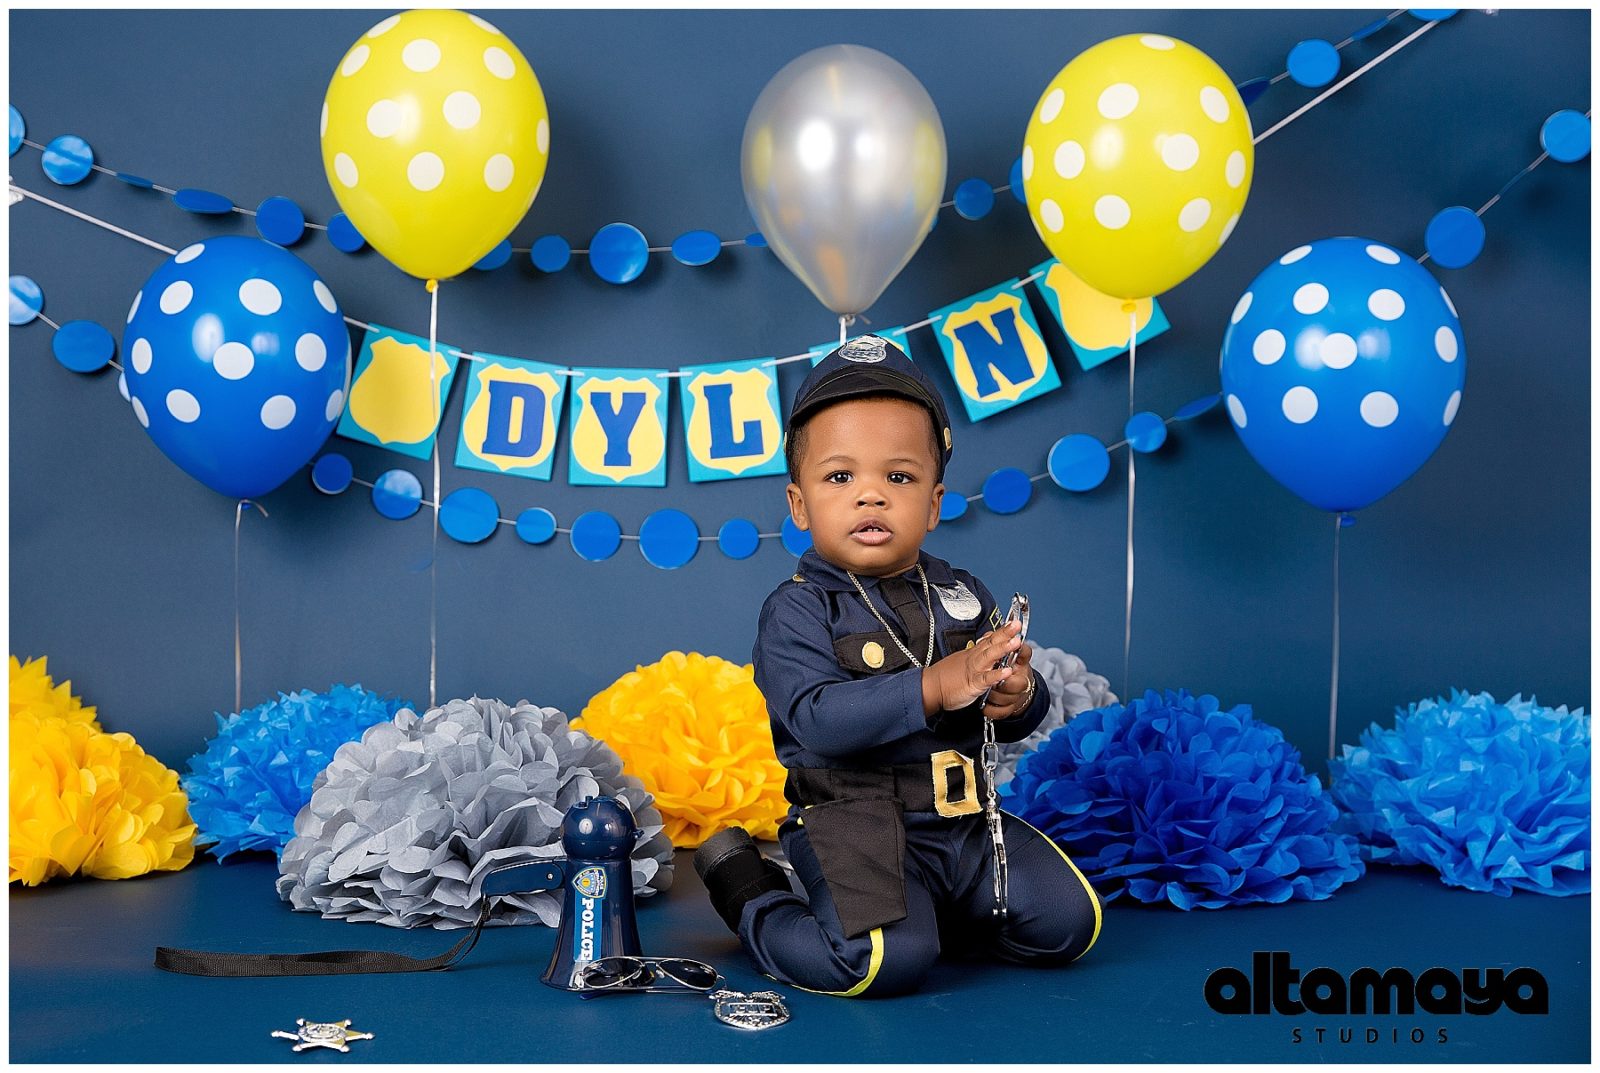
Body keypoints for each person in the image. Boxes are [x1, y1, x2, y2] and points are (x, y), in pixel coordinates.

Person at [695, 334, 1103, 997]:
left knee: (1069, 923)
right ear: (799, 504)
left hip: (964, 822)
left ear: (934, 504)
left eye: (899, 477)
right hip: (855, 824)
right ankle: (749, 889)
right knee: (878, 962)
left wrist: (1017, 694)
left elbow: (1009, 717)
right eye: (840, 477)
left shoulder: (963, 592)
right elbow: (818, 721)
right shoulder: (797, 609)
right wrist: (940, 683)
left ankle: (934, 913)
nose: (871, 496)